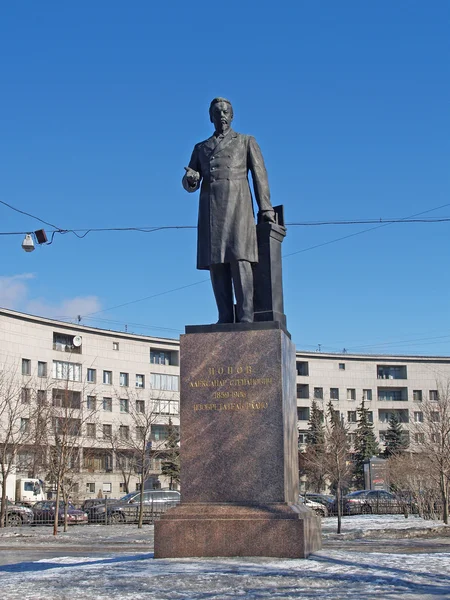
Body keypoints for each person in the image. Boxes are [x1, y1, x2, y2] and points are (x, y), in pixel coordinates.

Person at [182, 97, 275, 323]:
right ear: (211, 118)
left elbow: (259, 176)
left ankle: (245, 315)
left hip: (238, 206)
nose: (221, 116)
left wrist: (265, 207)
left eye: (225, 112)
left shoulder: (245, 141)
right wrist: (191, 179)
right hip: (211, 210)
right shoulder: (201, 148)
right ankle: (224, 316)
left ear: (232, 116)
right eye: (217, 113)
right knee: (217, 262)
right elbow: (189, 183)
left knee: (239, 258)